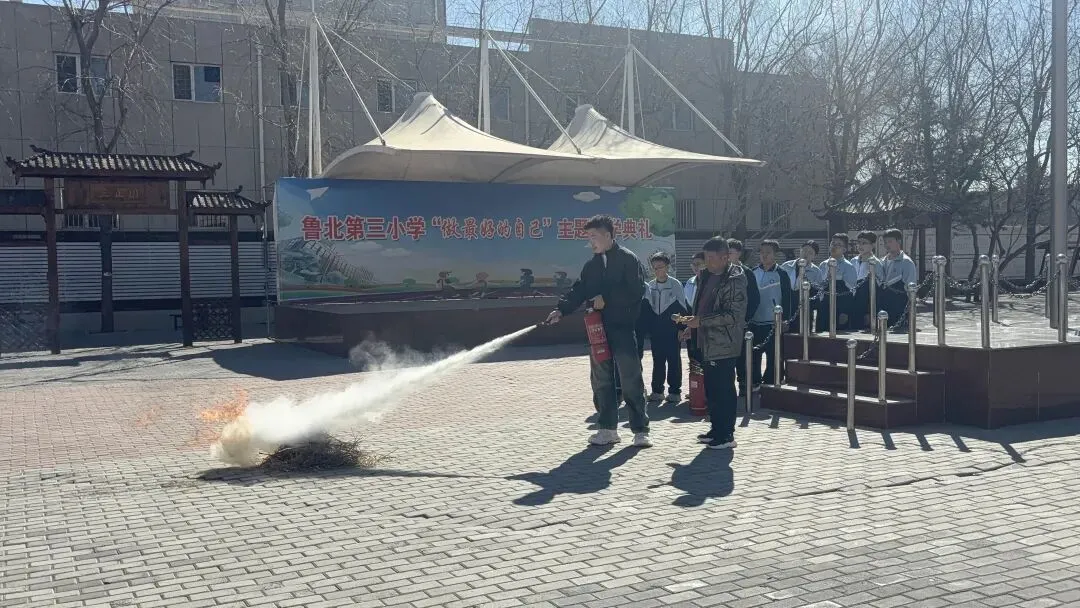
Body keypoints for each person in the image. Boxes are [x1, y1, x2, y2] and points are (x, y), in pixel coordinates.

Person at [546, 215, 652, 448]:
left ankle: (640, 430)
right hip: (597, 331)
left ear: (608, 235)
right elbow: (579, 290)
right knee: (601, 380)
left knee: (630, 378)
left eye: (594, 237)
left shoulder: (628, 259)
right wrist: (561, 309)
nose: (590, 242)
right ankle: (607, 429)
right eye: (588, 237)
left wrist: (608, 299)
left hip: (623, 327)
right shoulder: (591, 266)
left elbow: (636, 291)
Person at [682, 237, 748, 450]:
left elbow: (733, 315)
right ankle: (716, 429)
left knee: (724, 389)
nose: (708, 262)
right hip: (705, 340)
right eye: (706, 257)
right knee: (711, 389)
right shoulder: (705, 275)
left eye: (712, 258)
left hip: (724, 342)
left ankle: (727, 435)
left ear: (725, 257)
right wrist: (692, 326)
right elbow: (700, 307)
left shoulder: (735, 279)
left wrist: (700, 322)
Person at [747, 240, 793, 388]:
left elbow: (787, 298)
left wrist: (785, 320)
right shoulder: (753, 272)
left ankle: (771, 382)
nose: (764, 255)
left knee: (774, 355)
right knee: (754, 354)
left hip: (773, 322)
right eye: (762, 252)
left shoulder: (782, 274)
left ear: (775, 254)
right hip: (754, 321)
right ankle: (754, 381)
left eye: (768, 252)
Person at [645, 252, 688, 403]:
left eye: (660, 267)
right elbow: (647, 309)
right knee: (658, 361)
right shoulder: (650, 286)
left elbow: (683, 308)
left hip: (672, 330)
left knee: (674, 360)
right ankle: (657, 391)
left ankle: (675, 391)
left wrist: (681, 328)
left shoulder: (675, 284)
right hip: (656, 331)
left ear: (667, 267)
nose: (657, 270)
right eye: (655, 267)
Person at [727, 239, 760, 399]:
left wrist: (745, 318)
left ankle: (744, 385)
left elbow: (754, 299)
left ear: (739, 254)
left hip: (742, 324)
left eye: (730, 253)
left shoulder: (747, 273)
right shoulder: (720, 272)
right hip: (724, 324)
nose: (727, 256)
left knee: (742, 358)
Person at [815, 233, 859, 332]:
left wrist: (844, 312)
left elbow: (850, 292)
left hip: (839, 309)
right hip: (823, 307)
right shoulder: (823, 264)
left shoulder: (848, 266)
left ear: (844, 249)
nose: (834, 246)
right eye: (833, 243)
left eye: (838, 244)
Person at [781, 240, 824, 334]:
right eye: (804, 250)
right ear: (800, 250)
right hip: (787, 307)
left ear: (814, 256)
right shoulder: (786, 266)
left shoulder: (816, 271)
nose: (806, 254)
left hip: (805, 310)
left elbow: (820, 295)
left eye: (810, 253)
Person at [880, 228, 918, 330]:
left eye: (890, 241)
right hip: (884, 305)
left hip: (899, 305)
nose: (887, 244)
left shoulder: (907, 262)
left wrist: (910, 309)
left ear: (899, 241)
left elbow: (911, 286)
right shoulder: (882, 261)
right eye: (885, 242)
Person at [850, 231, 882, 331]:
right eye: (858, 242)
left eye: (864, 243)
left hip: (868, 304)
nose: (860, 245)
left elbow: (879, 289)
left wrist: (870, 312)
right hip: (853, 302)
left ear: (872, 245)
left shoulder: (876, 263)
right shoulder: (853, 261)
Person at [682, 252, 706, 364]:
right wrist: (688, 326)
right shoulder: (690, 282)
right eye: (693, 264)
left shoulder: (712, 282)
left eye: (699, 264)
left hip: (706, 329)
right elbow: (688, 305)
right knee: (694, 362)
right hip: (691, 328)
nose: (696, 267)